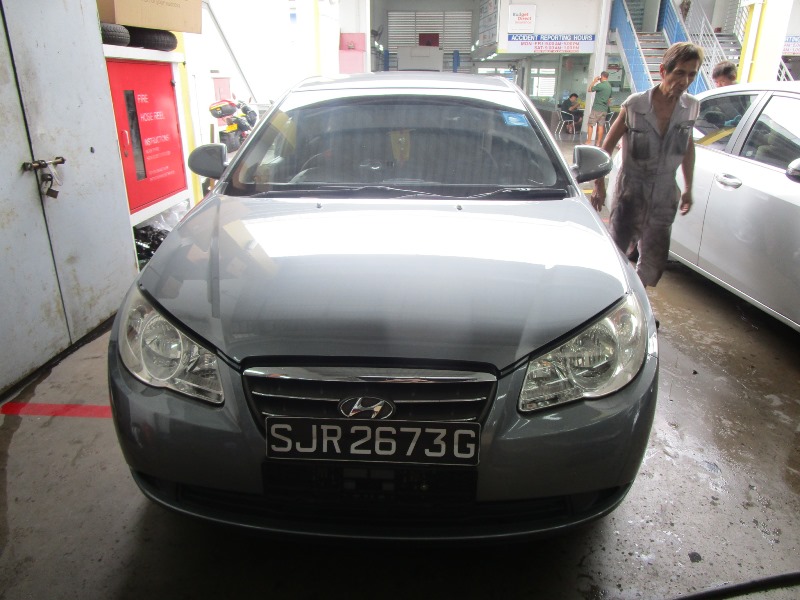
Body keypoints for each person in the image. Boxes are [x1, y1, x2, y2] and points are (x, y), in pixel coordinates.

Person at [591, 42, 704, 289]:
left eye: (691, 74)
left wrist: (688, 188)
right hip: (631, 190)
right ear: (663, 71)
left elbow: (688, 147)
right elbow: (606, 148)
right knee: (617, 251)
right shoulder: (635, 105)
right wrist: (599, 184)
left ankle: (638, 299)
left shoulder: (691, 107)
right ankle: (612, 295)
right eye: (679, 73)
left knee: (654, 260)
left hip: (665, 192)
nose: (685, 81)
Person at [586, 71, 613, 146]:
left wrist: (594, 81)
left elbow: (589, 89)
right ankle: (598, 143)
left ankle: (588, 141)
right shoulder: (609, 86)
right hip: (604, 109)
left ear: (602, 76)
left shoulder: (600, 85)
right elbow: (610, 99)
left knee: (590, 124)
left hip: (596, 108)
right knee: (600, 126)